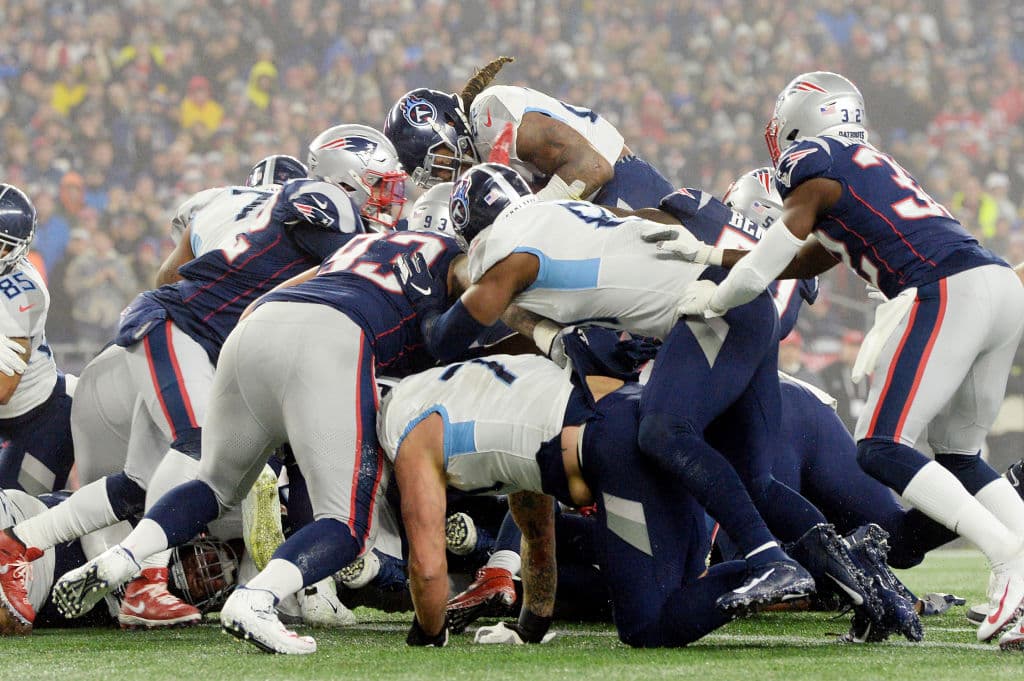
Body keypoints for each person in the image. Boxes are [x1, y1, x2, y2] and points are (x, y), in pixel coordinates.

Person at [389, 162, 879, 619]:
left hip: (710, 311)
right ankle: (873, 588)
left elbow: (448, 336)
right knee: (753, 479)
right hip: (739, 303)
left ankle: (769, 559)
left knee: (664, 432)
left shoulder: (504, 255)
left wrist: (425, 304)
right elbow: (621, 239)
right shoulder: (566, 213)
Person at [667, 71, 1024, 648]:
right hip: (998, 285)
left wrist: (715, 294)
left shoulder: (809, 159)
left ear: (800, 121)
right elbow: (805, 261)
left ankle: (1008, 558)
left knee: (881, 445)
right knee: (959, 454)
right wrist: (714, 251)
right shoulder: (864, 166)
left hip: (946, 288)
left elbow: (772, 255)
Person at [0, 128, 396, 631]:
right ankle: (145, 585)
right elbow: (344, 275)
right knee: (199, 447)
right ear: (344, 178)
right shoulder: (322, 200)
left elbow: (172, 270)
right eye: (380, 185)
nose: (389, 198)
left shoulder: (233, 201)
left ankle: (16, 543)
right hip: (180, 330)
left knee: (140, 486)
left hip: (178, 335)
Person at [50, 223, 467, 654]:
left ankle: (126, 555)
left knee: (214, 485)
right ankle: (257, 599)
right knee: (347, 524)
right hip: (333, 338)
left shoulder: (365, 245)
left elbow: (267, 300)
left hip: (255, 328)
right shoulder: (460, 260)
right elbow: (451, 332)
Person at [384, 57, 675, 209]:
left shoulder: (489, 117)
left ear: (446, 127)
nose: (443, 179)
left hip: (620, 186)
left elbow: (593, 167)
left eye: (438, 166)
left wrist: (529, 216)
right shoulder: (482, 141)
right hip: (598, 198)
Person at [0, 185, 75, 499]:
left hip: (40, 418)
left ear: (16, 249)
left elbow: (3, 389)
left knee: (17, 520)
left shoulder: (22, 293)